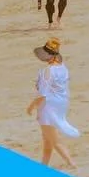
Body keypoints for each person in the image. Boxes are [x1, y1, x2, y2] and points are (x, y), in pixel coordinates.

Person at [28, 39, 78, 168]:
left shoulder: (48, 71)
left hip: (48, 108)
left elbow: (43, 94)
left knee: (54, 141)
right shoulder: (63, 68)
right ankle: (43, 167)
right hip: (59, 106)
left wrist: (31, 107)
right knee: (47, 141)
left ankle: (72, 165)